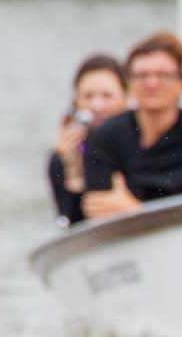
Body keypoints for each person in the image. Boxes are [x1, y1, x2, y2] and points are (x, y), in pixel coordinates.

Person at [80, 32, 182, 220]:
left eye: (163, 75)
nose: (151, 83)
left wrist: (135, 211)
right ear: (129, 83)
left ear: (181, 83)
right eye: (142, 75)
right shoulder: (106, 137)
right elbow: (96, 206)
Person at [49, 54, 128, 226]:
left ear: (126, 97)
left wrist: (132, 209)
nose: (97, 105)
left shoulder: (140, 141)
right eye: (88, 96)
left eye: (107, 96)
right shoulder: (63, 155)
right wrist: (73, 171)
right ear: (76, 101)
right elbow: (69, 224)